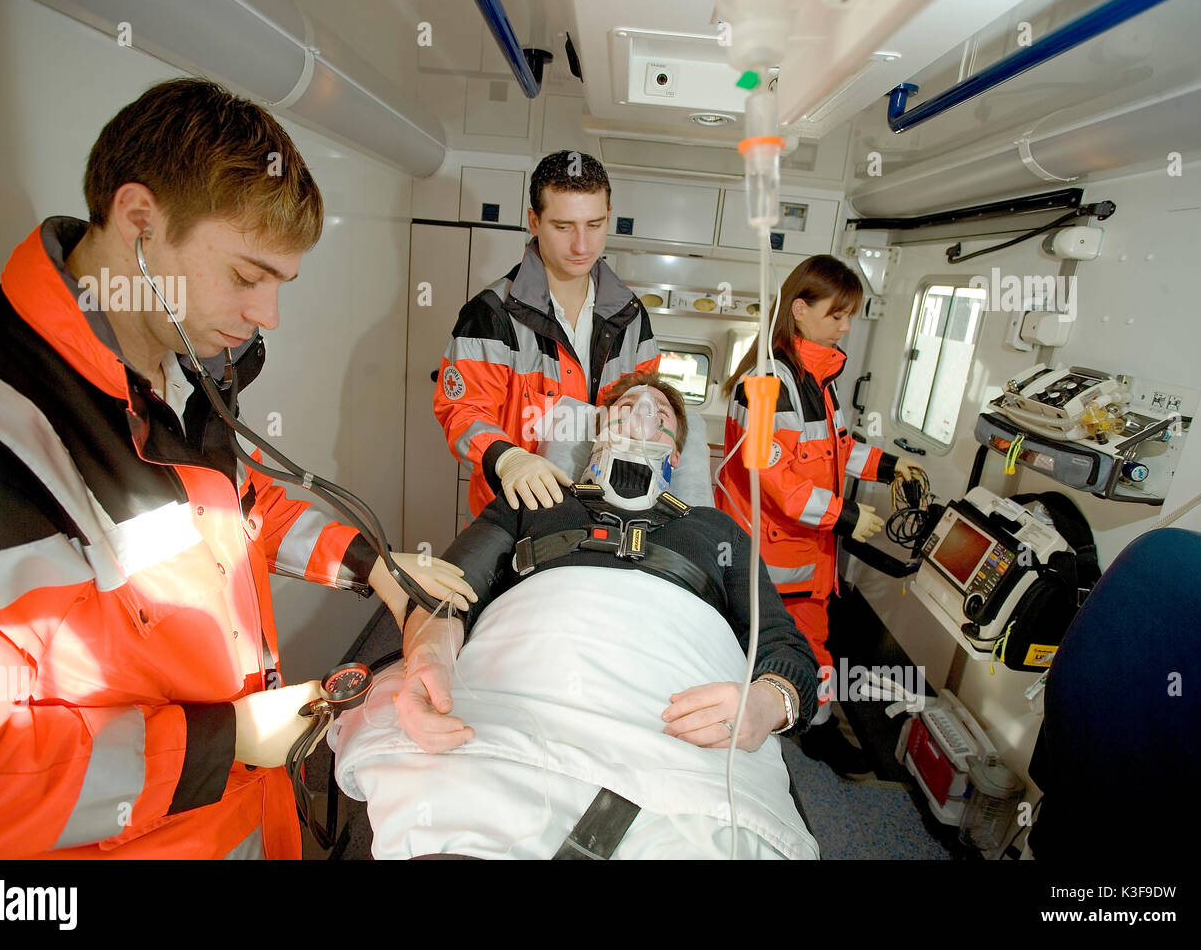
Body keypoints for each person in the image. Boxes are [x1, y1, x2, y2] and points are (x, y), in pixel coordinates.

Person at [0, 78, 473, 859]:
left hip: (248, 825)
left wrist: (374, 568)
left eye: (280, 285)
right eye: (249, 278)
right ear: (140, 222)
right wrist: (228, 743)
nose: (267, 316)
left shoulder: (175, 368)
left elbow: (234, 510)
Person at [337, 373, 820, 858]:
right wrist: (428, 657)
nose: (641, 415)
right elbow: (448, 592)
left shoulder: (718, 530)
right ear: (597, 434)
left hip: (673, 710)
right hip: (524, 685)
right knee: (452, 804)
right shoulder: (533, 501)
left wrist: (766, 701)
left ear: (676, 454)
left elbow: (783, 645)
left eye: (661, 415)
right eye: (625, 407)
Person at [715, 255, 923, 778]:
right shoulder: (764, 386)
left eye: (851, 315)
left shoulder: (819, 379)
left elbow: (835, 448)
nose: (847, 326)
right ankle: (747, 730)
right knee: (753, 647)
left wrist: (890, 466)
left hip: (807, 554)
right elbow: (774, 476)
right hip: (767, 554)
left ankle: (818, 726)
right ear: (801, 310)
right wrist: (848, 515)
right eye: (839, 314)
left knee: (818, 647)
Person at [432, 150, 660, 518]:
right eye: (563, 226)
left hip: (603, 514)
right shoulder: (490, 315)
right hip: (515, 518)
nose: (582, 245)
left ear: (609, 218)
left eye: (594, 224)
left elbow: (646, 407)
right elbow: (462, 410)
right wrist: (507, 459)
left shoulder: (633, 318)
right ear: (534, 221)